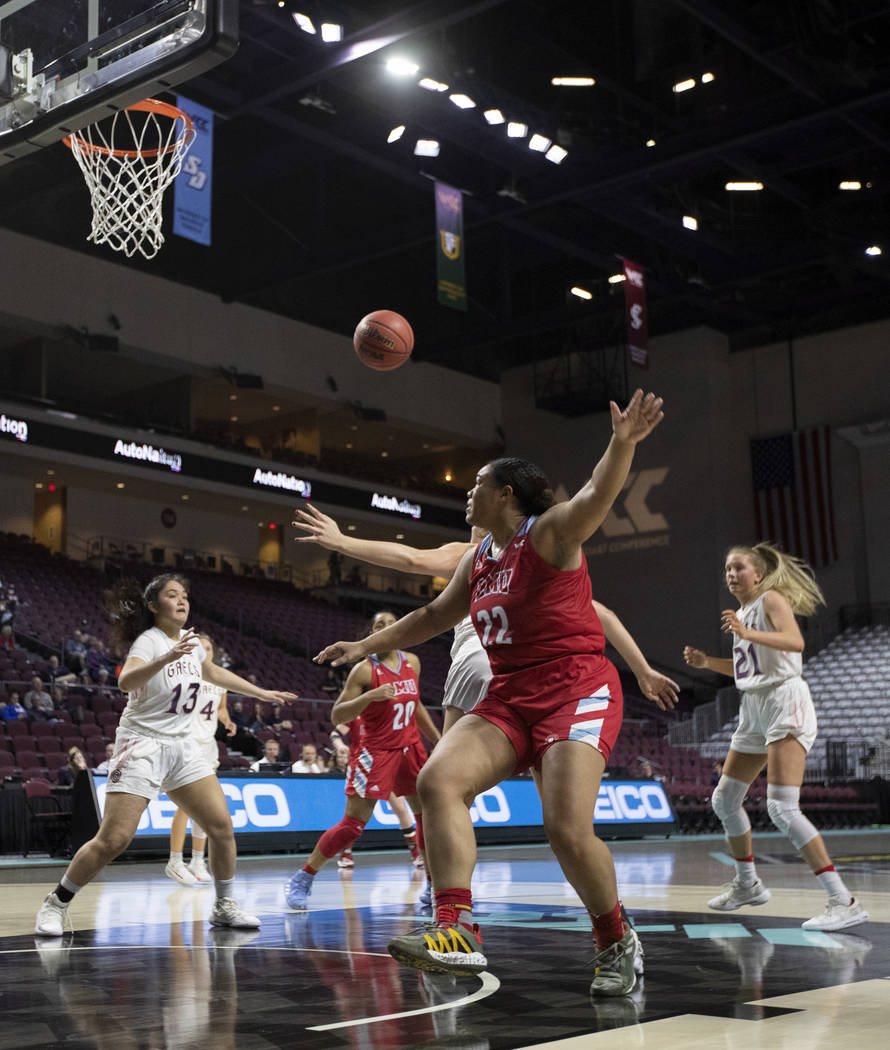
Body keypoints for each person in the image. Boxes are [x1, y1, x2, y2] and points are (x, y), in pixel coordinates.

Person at [313, 390, 667, 997]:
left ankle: (615, 939)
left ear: (506, 494)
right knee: (437, 782)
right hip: (510, 694)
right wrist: (364, 647)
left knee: (566, 828)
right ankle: (456, 928)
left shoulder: (551, 534)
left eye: (478, 482)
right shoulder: (478, 558)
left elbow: (596, 496)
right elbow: (430, 617)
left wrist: (623, 443)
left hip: (575, 688)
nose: (468, 490)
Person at [34, 573, 296, 937]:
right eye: (173, 595)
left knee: (221, 827)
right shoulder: (149, 641)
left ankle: (223, 905)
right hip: (142, 744)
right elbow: (126, 681)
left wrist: (261, 693)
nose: (183, 600)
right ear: (155, 606)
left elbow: (213, 672)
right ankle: (56, 903)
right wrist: (167, 657)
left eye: (185, 595)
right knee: (113, 840)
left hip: (184, 747)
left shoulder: (193, 642)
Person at [683, 542, 868, 932]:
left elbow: (795, 643)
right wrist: (706, 663)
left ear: (758, 574)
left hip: (786, 700)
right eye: (727, 569)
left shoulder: (770, 600)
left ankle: (843, 901)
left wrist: (746, 630)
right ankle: (747, 885)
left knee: (782, 808)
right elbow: (745, 670)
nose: (731, 575)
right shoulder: (742, 615)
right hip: (754, 705)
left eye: (738, 568)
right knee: (724, 799)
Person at [285, 610, 441, 908]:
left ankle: (432, 887)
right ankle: (303, 877)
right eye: (379, 626)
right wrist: (370, 697)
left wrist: (438, 739)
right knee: (353, 824)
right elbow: (337, 715)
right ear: (371, 633)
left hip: (410, 747)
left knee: (426, 818)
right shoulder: (364, 671)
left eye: (392, 625)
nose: (386, 629)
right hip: (375, 752)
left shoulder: (413, 662)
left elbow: (416, 704)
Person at [166, 632, 236, 887]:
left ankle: (197, 860)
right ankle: (175, 860)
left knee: (204, 809)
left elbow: (220, 707)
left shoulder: (218, 679)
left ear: (213, 652)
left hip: (208, 745)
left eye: (207, 647)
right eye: (199, 647)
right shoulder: (184, 674)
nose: (204, 651)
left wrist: (227, 720)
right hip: (186, 742)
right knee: (185, 806)